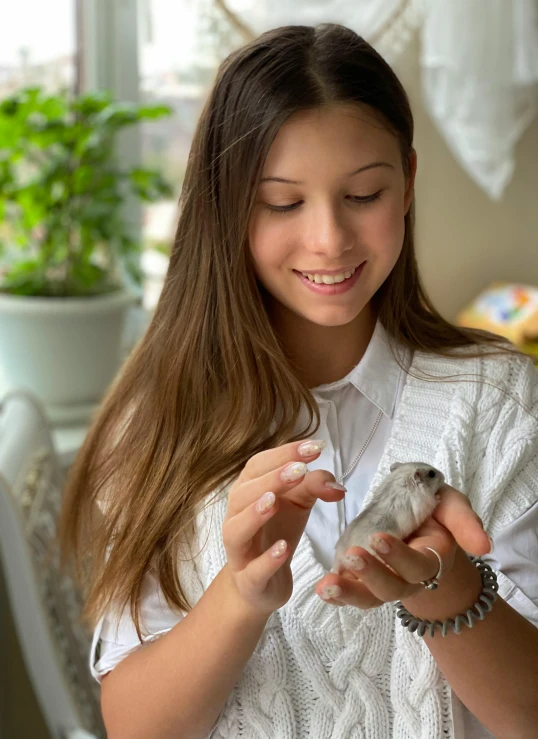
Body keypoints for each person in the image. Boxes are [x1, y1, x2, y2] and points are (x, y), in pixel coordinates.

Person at [58, 23, 538, 739]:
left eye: (365, 194)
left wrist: (448, 588)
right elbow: (136, 727)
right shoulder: (159, 420)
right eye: (283, 203)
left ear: (406, 183)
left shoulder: (499, 401)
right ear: (227, 207)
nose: (329, 239)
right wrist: (242, 594)